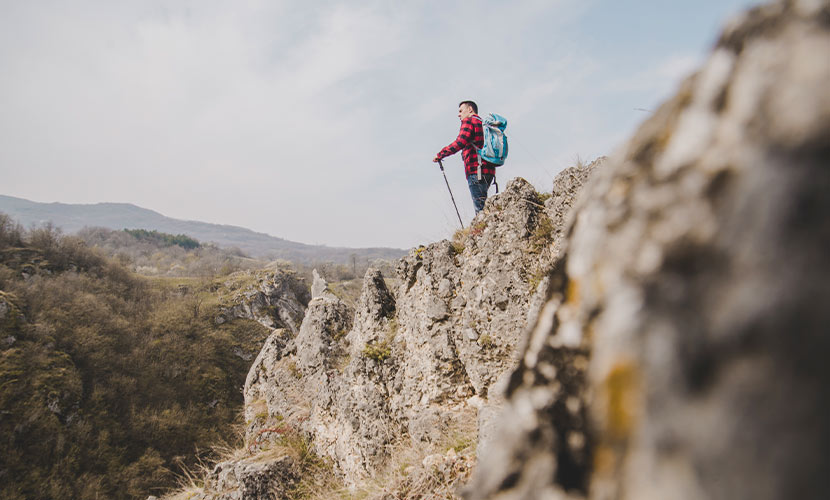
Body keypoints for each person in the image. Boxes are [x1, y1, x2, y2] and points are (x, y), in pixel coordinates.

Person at [433, 100, 495, 213]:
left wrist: (441, 154)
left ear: (470, 109)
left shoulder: (469, 121)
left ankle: (481, 230)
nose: (459, 114)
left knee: (480, 209)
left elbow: (460, 142)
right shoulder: (484, 124)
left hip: (476, 170)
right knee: (484, 204)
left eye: (461, 111)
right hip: (489, 170)